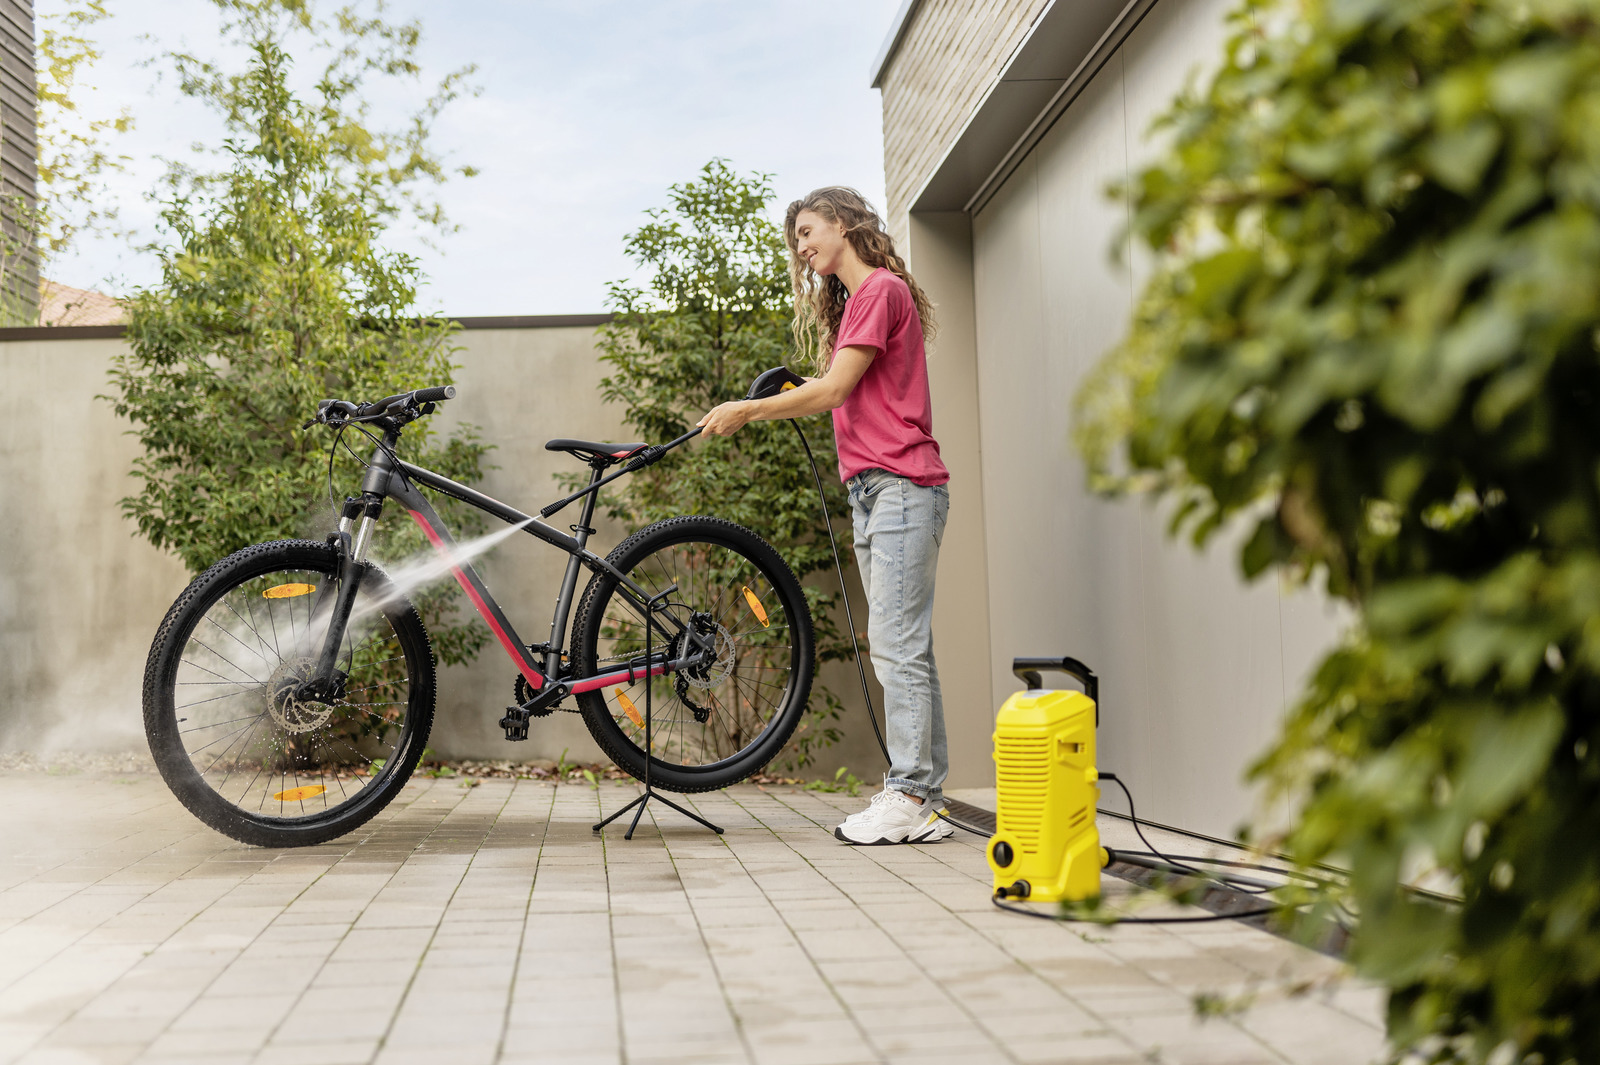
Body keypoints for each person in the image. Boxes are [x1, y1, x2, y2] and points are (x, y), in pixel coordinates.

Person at [697, 187, 952, 845]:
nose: (803, 247)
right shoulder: (860, 305)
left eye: (809, 231)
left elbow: (836, 389)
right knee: (897, 644)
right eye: (798, 241)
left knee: (900, 645)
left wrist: (746, 409)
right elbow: (839, 388)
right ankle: (918, 793)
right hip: (875, 491)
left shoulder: (879, 292)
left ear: (844, 224)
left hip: (900, 484)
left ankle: (914, 793)